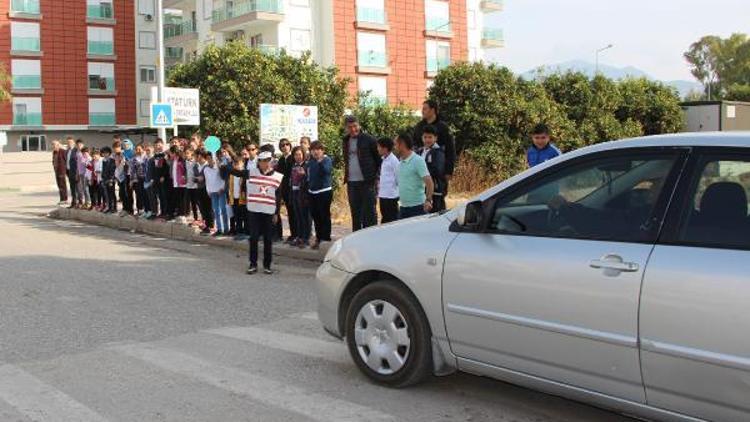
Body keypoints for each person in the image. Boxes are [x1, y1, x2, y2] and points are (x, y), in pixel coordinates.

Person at [230, 151, 283, 275]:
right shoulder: (251, 173)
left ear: (271, 161)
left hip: (269, 211)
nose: (265, 163)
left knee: (268, 239)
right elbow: (236, 172)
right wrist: (221, 165)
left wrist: (276, 213)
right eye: (262, 161)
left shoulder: (277, 176)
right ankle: (253, 264)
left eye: (267, 160)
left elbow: (278, 196)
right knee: (253, 238)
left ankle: (267, 265)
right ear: (259, 162)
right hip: (254, 210)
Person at [342, 115, 381, 231]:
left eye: (355, 126)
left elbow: (378, 160)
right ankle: (356, 239)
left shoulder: (369, 139)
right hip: (352, 183)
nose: (353, 129)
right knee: (355, 214)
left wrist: (376, 178)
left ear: (359, 125)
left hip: (367, 183)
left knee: (369, 214)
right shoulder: (345, 141)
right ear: (346, 128)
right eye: (350, 127)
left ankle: (371, 239)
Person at [413, 99, 456, 189]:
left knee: (437, 198)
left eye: (425, 109)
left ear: (432, 110)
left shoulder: (443, 127)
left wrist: (448, 171)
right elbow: (414, 146)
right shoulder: (419, 127)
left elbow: (450, 150)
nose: (422, 111)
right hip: (421, 171)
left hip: (438, 171)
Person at [395, 132, 434, 219]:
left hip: (418, 208)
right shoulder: (400, 162)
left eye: (396, 144)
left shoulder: (418, 161)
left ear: (402, 145)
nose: (395, 147)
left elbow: (429, 182)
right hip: (403, 208)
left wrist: (428, 200)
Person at [307, 141, 333, 250]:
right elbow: (309, 175)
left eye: (318, 149)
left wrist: (320, 161)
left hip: (324, 191)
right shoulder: (311, 162)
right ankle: (318, 238)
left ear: (322, 150)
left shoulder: (327, 160)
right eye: (313, 150)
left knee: (324, 216)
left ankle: (325, 239)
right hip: (312, 192)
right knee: (316, 217)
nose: (315, 152)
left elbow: (327, 171)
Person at [419, 125, 447, 213]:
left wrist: (421, 173)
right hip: (421, 189)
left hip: (435, 191)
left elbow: (438, 170)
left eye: (430, 137)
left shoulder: (438, 152)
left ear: (435, 138)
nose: (427, 140)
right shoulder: (420, 151)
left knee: (435, 216)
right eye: (425, 137)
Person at [276, 138, 296, 243]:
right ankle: (293, 235)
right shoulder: (281, 160)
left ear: (290, 145)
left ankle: (297, 234)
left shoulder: (293, 158)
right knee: (289, 212)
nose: (285, 147)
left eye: (287, 144)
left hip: (294, 189)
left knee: (295, 213)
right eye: (282, 145)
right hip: (284, 190)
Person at [290, 146, 311, 248]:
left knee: (305, 216)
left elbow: (309, 180)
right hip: (294, 192)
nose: (297, 157)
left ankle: (306, 238)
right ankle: (299, 236)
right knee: (297, 215)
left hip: (303, 194)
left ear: (303, 155)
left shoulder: (307, 165)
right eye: (295, 155)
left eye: (299, 154)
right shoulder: (293, 165)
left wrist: (304, 175)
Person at [204, 152, 229, 236]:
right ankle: (219, 229)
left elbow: (224, 179)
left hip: (220, 191)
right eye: (208, 158)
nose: (210, 160)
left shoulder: (219, 167)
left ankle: (226, 229)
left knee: (223, 209)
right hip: (213, 192)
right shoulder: (206, 169)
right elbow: (207, 181)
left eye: (211, 158)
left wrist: (222, 188)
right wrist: (208, 191)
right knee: (216, 211)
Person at [376, 137, 400, 224]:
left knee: (392, 220)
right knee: (385, 218)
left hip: (391, 196)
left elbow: (399, 178)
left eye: (379, 147)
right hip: (383, 195)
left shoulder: (394, 160)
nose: (377, 149)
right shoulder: (383, 159)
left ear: (385, 148)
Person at [228, 156, 248, 240]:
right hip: (234, 198)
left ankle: (246, 232)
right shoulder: (232, 174)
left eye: (238, 164)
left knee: (244, 216)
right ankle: (239, 231)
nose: (236, 165)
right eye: (235, 164)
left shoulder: (245, 174)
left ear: (242, 164)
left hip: (243, 199)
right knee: (237, 216)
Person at [195, 150, 214, 235]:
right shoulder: (196, 166)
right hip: (199, 188)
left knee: (208, 208)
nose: (196, 157)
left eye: (197, 156)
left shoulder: (207, 166)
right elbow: (196, 177)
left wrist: (201, 178)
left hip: (207, 189)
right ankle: (206, 225)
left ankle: (210, 226)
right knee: (202, 208)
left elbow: (208, 177)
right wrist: (197, 179)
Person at [170, 146, 188, 222]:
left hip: (182, 183)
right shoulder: (173, 160)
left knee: (182, 199)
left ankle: (183, 214)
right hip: (175, 182)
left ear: (174, 153)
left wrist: (185, 177)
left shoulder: (182, 159)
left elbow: (185, 169)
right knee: (178, 199)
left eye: (171, 153)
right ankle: (179, 213)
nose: (170, 154)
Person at [129, 143, 149, 216]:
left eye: (139, 149)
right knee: (138, 194)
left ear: (143, 149)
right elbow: (132, 170)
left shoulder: (146, 157)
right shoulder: (134, 159)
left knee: (146, 194)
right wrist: (131, 180)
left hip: (146, 178)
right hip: (137, 179)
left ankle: (147, 209)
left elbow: (147, 169)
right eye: (136, 149)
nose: (138, 151)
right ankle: (139, 209)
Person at [185, 148, 201, 225]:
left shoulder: (195, 162)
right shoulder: (185, 162)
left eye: (188, 153)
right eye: (186, 153)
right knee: (193, 203)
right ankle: (196, 218)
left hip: (195, 185)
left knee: (198, 202)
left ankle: (203, 218)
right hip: (189, 185)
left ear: (192, 153)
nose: (186, 155)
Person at [100, 147, 117, 213]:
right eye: (103, 153)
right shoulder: (103, 161)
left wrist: (111, 179)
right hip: (105, 179)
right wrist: (102, 178)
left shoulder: (112, 160)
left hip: (110, 180)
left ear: (109, 153)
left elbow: (113, 170)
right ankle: (109, 207)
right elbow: (103, 171)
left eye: (106, 153)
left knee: (112, 194)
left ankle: (114, 208)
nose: (105, 154)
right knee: (107, 194)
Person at [51, 140, 68, 205]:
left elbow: (66, 161)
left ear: (58, 145)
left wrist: (65, 171)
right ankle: (62, 199)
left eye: (54, 145)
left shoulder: (63, 151)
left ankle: (64, 199)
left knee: (62, 185)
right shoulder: (54, 152)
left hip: (62, 171)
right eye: (53, 145)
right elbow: (54, 161)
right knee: (59, 186)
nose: (53, 146)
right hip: (57, 171)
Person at [65, 137, 80, 208]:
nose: (69, 144)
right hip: (69, 171)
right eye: (68, 142)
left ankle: (79, 202)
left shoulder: (76, 150)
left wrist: (77, 172)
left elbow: (78, 162)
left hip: (75, 171)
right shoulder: (67, 151)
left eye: (70, 142)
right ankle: (73, 202)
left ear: (73, 143)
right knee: (72, 188)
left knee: (77, 188)